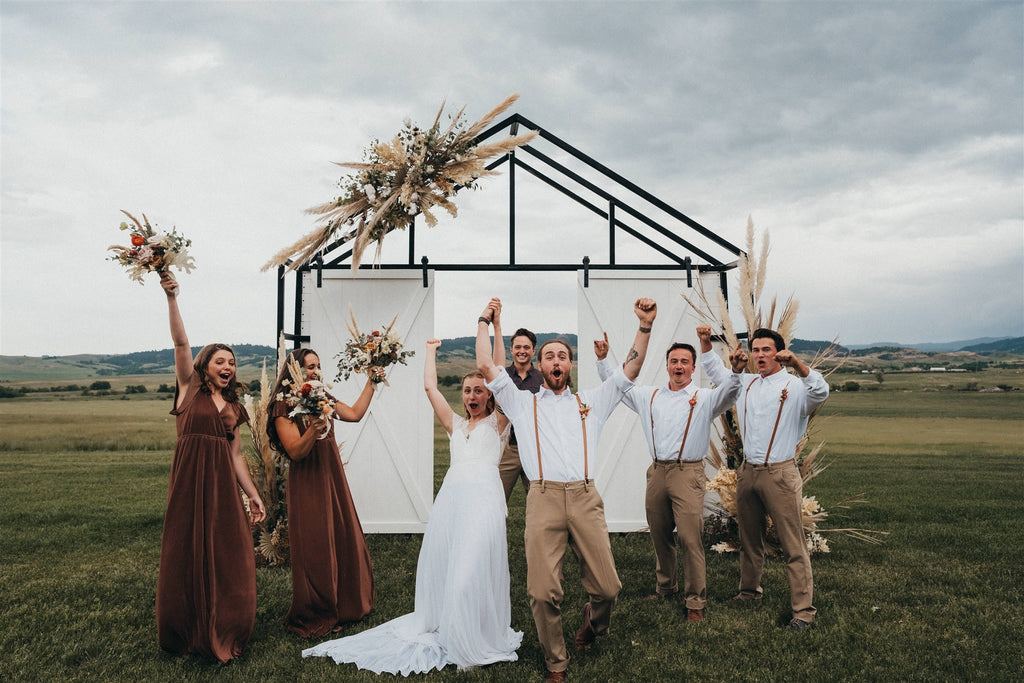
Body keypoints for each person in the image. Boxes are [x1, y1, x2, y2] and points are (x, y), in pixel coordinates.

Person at [302, 333, 523, 674]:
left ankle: (471, 638)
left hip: (484, 502)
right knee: (448, 566)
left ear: (490, 393)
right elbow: (431, 390)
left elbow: (496, 369)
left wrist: (494, 324)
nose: (472, 395)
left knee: (471, 569)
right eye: (467, 390)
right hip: (452, 502)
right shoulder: (456, 423)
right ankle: (452, 626)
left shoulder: (500, 423)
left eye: (479, 390)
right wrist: (430, 353)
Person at [476, 296, 657, 682]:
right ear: (539, 366)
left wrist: (645, 326)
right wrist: (484, 320)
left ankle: (594, 620)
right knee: (542, 592)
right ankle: (556, 662)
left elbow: (631, 370)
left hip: (584, 497)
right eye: (549, 357)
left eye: (563, 356)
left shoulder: (591, 400)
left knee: (608, 588)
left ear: (570, 365)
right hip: (541, 499)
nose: (556, 362)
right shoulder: (522, 403)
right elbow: (485, 365)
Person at [594, 326, 745, 622]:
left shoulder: (704, 397)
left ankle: (695, 601)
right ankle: (666, 586)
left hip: (688, 473)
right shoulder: (648, 396)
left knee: (690, 539)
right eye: (674, 361)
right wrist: (602, 360)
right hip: (657, 471)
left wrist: (736, 373)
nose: (678, 366)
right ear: (667, 365)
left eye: (684, 362)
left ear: (692, 367)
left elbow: (731, 392)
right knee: (659, 534)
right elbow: (617, 385)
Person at [155, 271, 266, 663]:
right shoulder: (188, 387)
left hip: (221, 486)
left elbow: (235, 456)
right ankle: (183, 629)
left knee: (228, 551)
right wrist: (172, 297)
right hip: (188, 482)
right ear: (205, 365)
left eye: (232, 363)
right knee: (185, 549)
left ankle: (226, 624)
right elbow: (181, 341)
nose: (229, 366)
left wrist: (253, 495)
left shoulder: (235, 407)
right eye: (221, 361)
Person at [723, 328, 829, 632]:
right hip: (748, 470)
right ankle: (749, 592)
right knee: (749, 538)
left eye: (766, 350)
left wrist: (798, 363)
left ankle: (804, 611)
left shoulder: (795, 386)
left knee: (792, 543)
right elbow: (716, 372)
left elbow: (822, 391)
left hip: (781, 473)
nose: (760, 355)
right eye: (756, 350)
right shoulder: (747, 383)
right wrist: (714, 351)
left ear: (779, 353)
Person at [267, 348, 376, 637]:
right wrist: (313, 430)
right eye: (309, 367)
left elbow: (353, 414)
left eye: (317, 366)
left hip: (332, 478)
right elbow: (295, 452)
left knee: (342, 536)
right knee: (316, 546)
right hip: (308, 482)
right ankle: (317, 608)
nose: (315, 372)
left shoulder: (321, 397)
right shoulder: (283, 406)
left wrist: (372, 381)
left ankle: (347, 603)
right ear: (295, 371)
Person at [497, 326, 542, 502]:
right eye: (518, 347)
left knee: (540, 500)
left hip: (534, 446)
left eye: (526, 347)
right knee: (496, 498)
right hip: (508, 448)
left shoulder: (542, 379)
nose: (521, 351)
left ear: (533, 350)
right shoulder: (502, 376)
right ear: (511, 350)